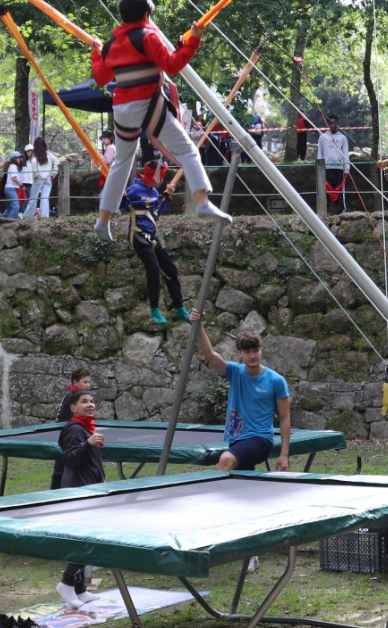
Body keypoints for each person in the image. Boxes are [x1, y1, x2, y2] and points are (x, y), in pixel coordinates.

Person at [91, 0, 230, 240]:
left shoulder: (111, 45)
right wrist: (195, 39)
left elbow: (101, 77)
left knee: (121, 163)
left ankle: (102, 219)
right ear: (146, 15)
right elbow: (173, 65)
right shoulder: (148, 37)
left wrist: (95, 53)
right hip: (148, 104)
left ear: (122, 17)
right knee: (188, 151)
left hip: (123, 109)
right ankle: (202, 201)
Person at [190, 309, 291, 471]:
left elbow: (285, 418)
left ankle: (216, 497)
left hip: (261, 439)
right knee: (242, 485)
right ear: (240, 353)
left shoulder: (276, 381)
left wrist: (284, 454)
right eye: (247, 352)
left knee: (226, 459)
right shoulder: (235, 372)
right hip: (237, 439)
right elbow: (210, 355)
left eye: (255, 351)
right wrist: (198, 325)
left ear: (261, 350)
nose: (252, 356)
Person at [54, 389, 106, 608]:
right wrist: (89, 443)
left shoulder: (85, 428)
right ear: (73, 408)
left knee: (89, 538)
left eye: (92, 401)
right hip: (79, 491)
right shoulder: (74, 429)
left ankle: (80, 589)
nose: (90, 404)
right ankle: (66, 583)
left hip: (89, 488)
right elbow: (70, 459)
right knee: (86, 539)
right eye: (84, 401)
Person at [125, 157, 191, 326]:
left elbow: (155, 214)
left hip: (152, 235)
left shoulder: (154, 193)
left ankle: (179, 308)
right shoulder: (134, 190)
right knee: (153, 268)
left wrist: (167, 197)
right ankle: (154, 309)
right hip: (138, 234)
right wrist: (123, 198)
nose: (162, 180)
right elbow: (121, 207)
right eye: (161, 177)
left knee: (171, 268)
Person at [50, 367, 93, 490]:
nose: (88, 385)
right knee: (61, 467)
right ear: (75, 382)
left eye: (88, 382)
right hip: (67, 434)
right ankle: (54, 494)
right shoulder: (71, 396)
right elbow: (63, 419)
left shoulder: (79, 395)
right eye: (85, 382)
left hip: (74, 432)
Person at [316, 114, 351, 216]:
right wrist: (319, 170)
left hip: (339, 169)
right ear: (327, 124)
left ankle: (341, 213)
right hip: (327, 169)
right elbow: (320, 154)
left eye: (334, 123)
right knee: (325, 192)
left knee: (339, 193)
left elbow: (345, 154)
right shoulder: (322, 138)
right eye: (330, 123)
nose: (332, 125)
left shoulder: (343, 138)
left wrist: (346, 169)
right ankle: (323, 214)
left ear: (337, 124)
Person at [24, 137, 58, 219]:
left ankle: (28, 216)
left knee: (33, 198)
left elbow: (33, 163)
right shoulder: (49, 154)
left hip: (38, 179)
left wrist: (35, 175)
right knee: (45, 198)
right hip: (48, 178)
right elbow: (57, 161)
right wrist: (53, 173)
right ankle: (44, 216)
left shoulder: (35, 156)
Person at [0, 153, 25, 219]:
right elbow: (14, 178)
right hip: (11, 189)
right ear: (14, 159)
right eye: (18, 158)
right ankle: (10, 221)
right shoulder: (13, 166)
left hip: (10, 188)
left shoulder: (12, 166)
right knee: (15, 206)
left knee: (10, 206)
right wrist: (21, 185)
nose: (19, 159)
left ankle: (6, 220)